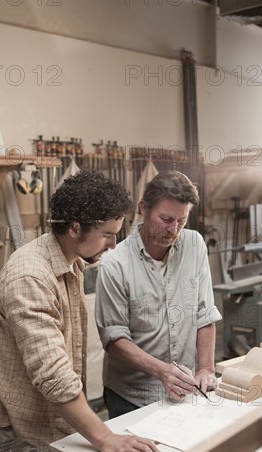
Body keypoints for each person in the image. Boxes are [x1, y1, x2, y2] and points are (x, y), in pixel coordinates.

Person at [0, 170, 163, 452]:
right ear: (74, 228)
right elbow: (54, 376)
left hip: (62, 424)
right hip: (30, 432)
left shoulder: (70, 262)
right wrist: (106, 439)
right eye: (107, 234)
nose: (112, 245)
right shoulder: (30, 277)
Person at [95, 170, 222, 418]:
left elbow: (204, 314)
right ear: (143, 209)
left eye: (182, 221)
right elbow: (114, 339)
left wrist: (206, 368)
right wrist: (162, 371)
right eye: (165, 219)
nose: (173, 229)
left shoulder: (195, 245)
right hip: (132, 396)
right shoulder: (115, 264)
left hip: (184, 389)